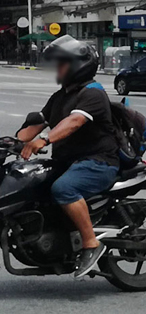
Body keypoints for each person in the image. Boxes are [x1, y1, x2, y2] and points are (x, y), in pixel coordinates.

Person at [15, 35, 120, 279]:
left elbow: (74, 122)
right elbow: (35, 125)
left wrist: (45, 140)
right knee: (32, 184)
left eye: (62, 63)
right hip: (68, 162)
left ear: (77, 65)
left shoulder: (93, 94)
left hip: (98, 162)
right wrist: (12, 141)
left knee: (64, 188)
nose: (57, 69)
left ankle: (91, 243)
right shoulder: (60, 96)